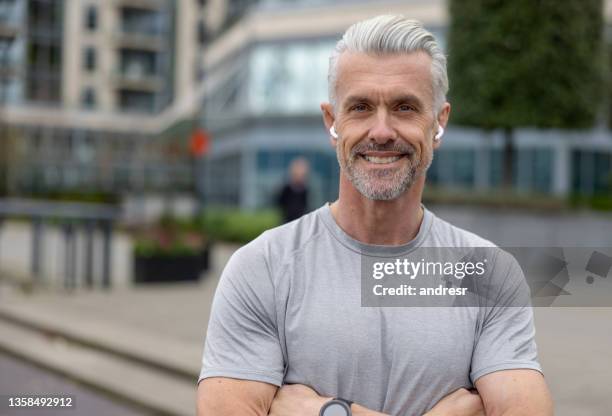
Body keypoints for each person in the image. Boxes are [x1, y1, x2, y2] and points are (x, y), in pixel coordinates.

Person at [197, 15, 553, 416]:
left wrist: (327, 412)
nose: (381, 131)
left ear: (439, 121)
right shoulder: (261, 268)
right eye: (361, 107)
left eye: (404, 107)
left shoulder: (488, 274)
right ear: (333, 122)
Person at [277, 157, 310, 223]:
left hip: (300, 221)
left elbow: (306, 206)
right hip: (287, 221)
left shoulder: (305, 190)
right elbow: (280, 204)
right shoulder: (286, 189)